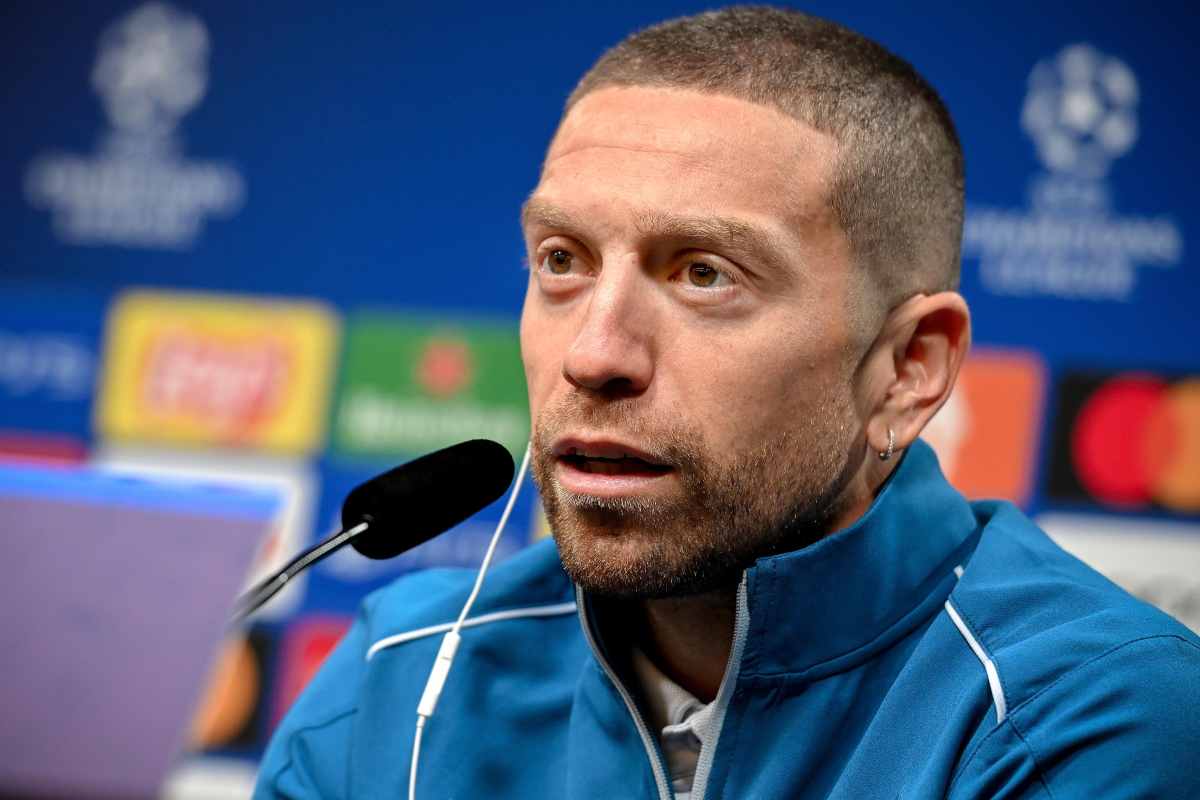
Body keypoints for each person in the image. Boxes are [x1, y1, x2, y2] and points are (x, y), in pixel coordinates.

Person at [255, 7, 1200, 798]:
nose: (594, 355)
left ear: (909, 367)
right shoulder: (401, 679)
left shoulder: (1085, 717)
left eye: (704, 274)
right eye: (562, 261)